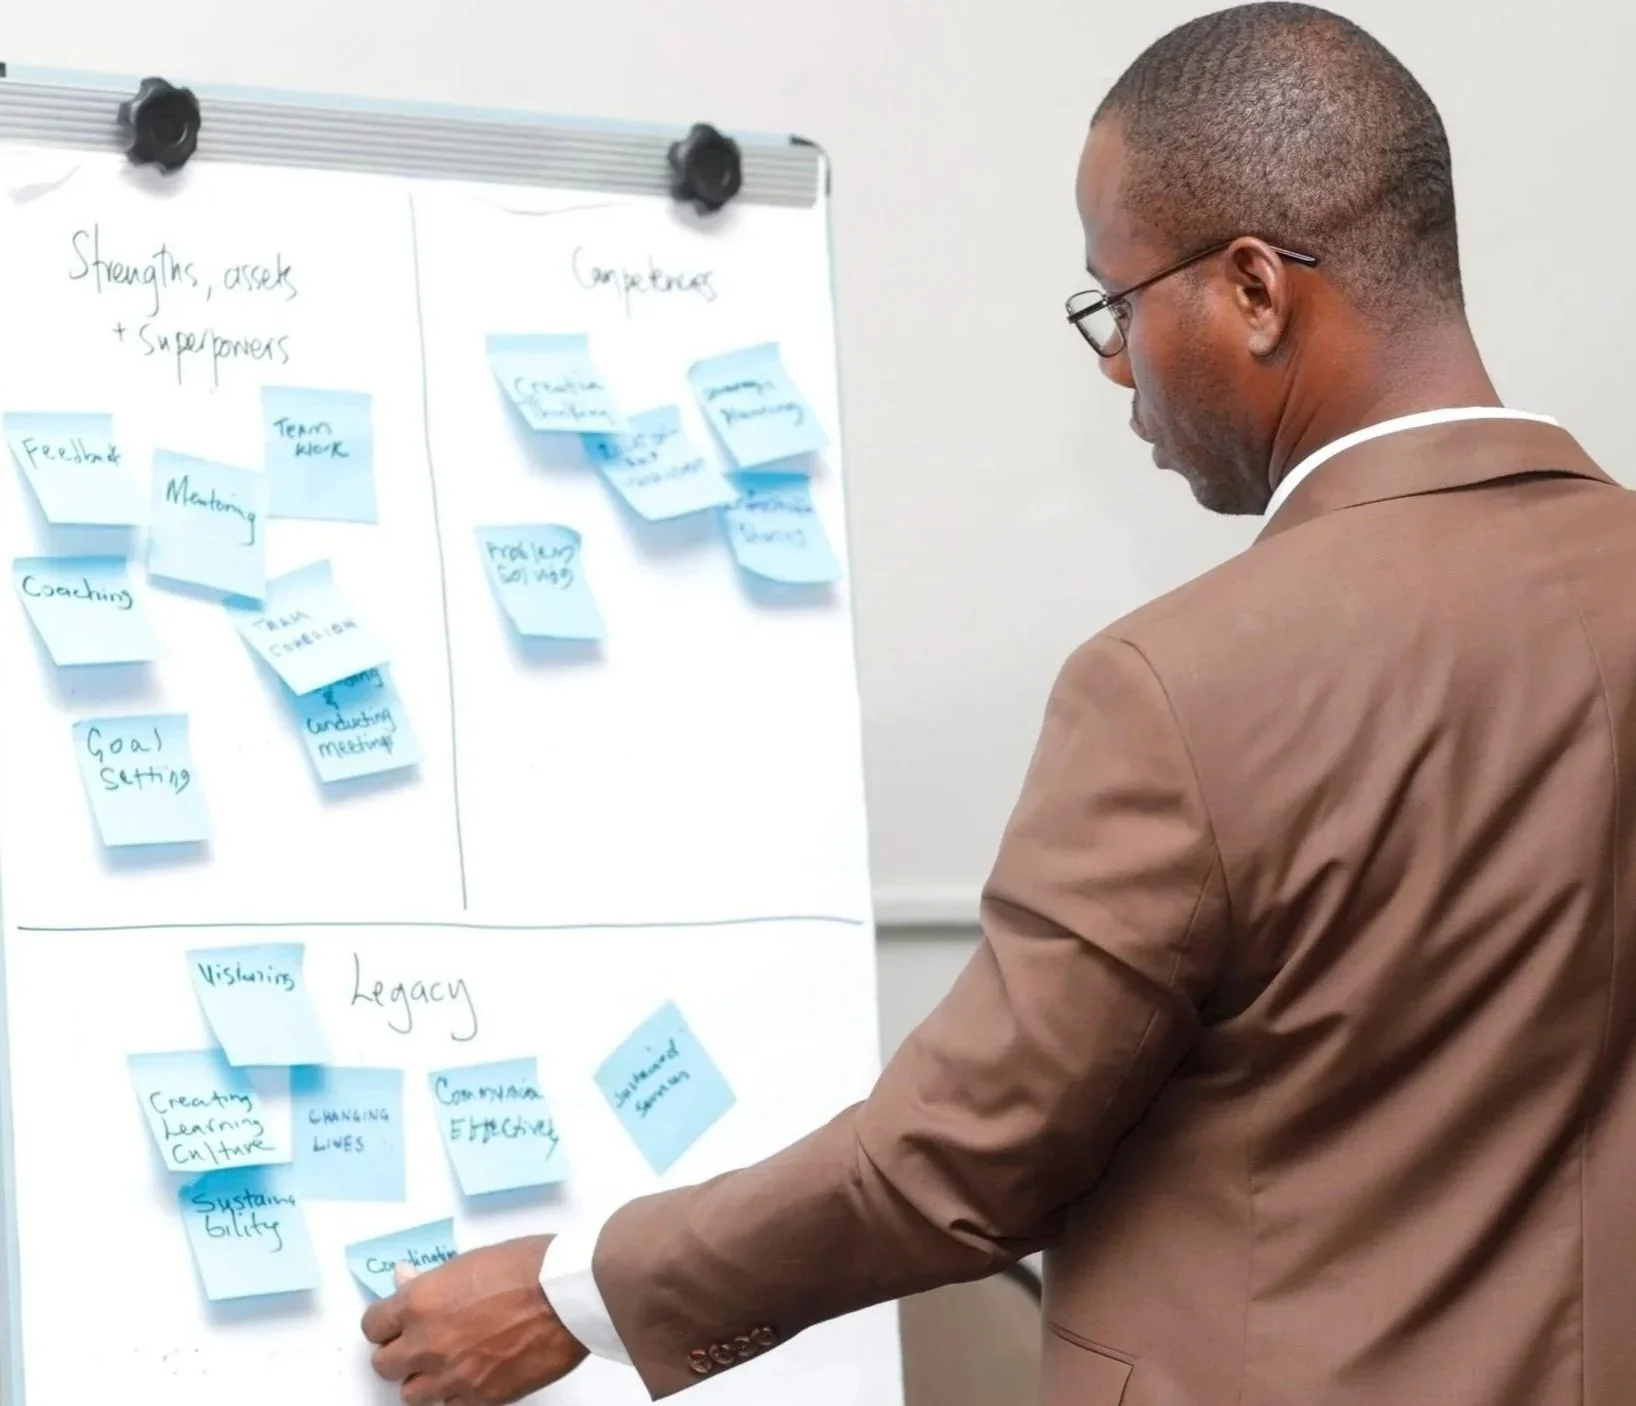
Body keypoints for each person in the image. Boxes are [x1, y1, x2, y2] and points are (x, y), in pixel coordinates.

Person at [363, 5, 1636, 1402]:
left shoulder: (1179, 685)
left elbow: (957, 1160)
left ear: (1257, 290)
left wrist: (576, 1294)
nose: (1115, 363)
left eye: (1118, 302)